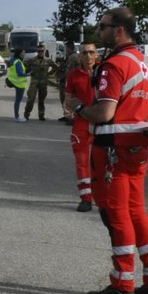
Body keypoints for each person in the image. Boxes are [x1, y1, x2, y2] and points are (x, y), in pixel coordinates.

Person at [78, 6, 148, 294]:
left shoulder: (114, 65)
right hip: (138, 148)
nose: (99, 31)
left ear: (118, 30)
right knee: (137, 211)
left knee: (117, 214)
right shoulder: (145, 64)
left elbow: (105, 112)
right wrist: (147, 127)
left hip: (112, 148)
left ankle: (122, 284)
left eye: (102, 26)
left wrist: (79, 111)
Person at [61, 42, 101, 212]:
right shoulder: (73, 76)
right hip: (81, 123)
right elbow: (68, 99)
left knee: (103, 163)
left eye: (91, 52)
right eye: (84, 53)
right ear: (79, 56)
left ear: (97, 54)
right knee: (82, 162)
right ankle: (86, 198)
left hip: (102, 122)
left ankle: (102, 197)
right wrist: (69, 111)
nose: (88, 56)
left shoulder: (106, 73)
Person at [24, 49, 52, 121]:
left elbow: (55, 67)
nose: (40, 52)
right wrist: (28, 71)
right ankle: (26, 114)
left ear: (44, 51)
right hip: (34, 82)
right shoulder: (32, 60)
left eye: (42, 51)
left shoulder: (48, 60)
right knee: (31, 99)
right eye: (39, 51)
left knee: (41, 100)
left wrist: (49, 74)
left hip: (43, 82)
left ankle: (41, 115)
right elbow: (24, 65)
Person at [6, 48, 29, 121]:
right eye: (23, 52)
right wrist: (29, 74)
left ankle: (16, 116)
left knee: (17, 101)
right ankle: (17, 117)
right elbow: (20, 73)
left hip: (15, 83)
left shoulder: (14, 60)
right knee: (18, 101)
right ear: (19, 53)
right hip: (19, 84)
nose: (24, 54)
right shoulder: (18, 62)